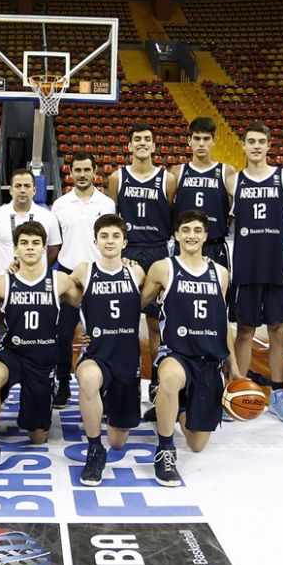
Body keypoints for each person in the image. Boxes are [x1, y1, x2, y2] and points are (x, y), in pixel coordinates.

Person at [140, 210, 243, 486]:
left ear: (206, 236)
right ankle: (165, 449)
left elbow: (223, 323)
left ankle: (176, 406)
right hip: (176, 353)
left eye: (197, 230)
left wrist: (233, 366)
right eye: (185, 230)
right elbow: (135, 303)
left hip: (208, 359)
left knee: (197, 444)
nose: (191, 235)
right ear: (176, 235)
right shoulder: (163, 268)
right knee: (170, 377)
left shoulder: (220, 273)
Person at [0, 221, 78, 480]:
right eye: (24, 243)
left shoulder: (60, 280)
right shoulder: (2, 283)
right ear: (15, 249)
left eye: (35, 243)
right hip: (13, 352)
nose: (30, 247)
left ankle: (38, 401)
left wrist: (88, 333)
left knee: (38, 437)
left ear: (44, 248)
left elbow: (90, 304)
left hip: (42, 358)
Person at [230, 122, 283, 422]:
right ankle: (237, 388)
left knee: (278, 330)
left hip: (276, 265)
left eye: (261, 141)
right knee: (244, 330)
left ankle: (278, 395)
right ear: (243, 146)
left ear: (269, 145)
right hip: (246, 265)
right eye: (251, 141)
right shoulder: (233, 181)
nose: (256, 146)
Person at [69, 214, 144, 486]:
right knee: (89, 378)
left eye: (115, 236)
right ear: (96, 241)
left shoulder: (137, 272)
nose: (109, 241)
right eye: (104, 236)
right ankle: (94, 449)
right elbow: (54, 288)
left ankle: (107, 407)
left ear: (124, 242)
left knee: (118, 441)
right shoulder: (84, 270)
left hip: (127, 358)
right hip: (96, 355)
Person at [108, 123, 176, 397]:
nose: (142, 143)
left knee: (155, 324)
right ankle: (123, 379)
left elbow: (172, 217)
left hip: (158, 251)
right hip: (128, 253)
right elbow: (112, 219)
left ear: (154, 145)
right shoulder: (117, 178)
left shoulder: (167, 179)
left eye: (147, 139)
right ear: (129, 145)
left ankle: (157, 381)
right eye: (137, 139)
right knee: (122, 323)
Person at [49, 152, 116, 409]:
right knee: (62, 334)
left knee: (104, 334)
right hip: (69, 275)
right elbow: (54, 244)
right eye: (77, 170)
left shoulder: (107, 204)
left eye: (87, 169)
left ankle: (105, 385)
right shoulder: (60, 205)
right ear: (70, 173)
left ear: (95, 171)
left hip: (98, 275)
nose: (82, 174)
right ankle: (63, 383)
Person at [171, 117, 236, 268]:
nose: (201, 144)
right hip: (183, 246)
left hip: (214, 245)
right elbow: (170, 208)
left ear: (214, 141)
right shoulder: (177, 172)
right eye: (197, 138)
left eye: (206, 139)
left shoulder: (227, 171)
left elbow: (233, 210)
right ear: (189, 141)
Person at [0, 168, 61, 275]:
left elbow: (53, 251)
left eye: (27, 186)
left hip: (37, 278)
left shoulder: (48, 217)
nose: (22, 190)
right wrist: (1, 267)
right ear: (11, 190)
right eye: (18, 186)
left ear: (34, 190)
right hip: (4, 277)